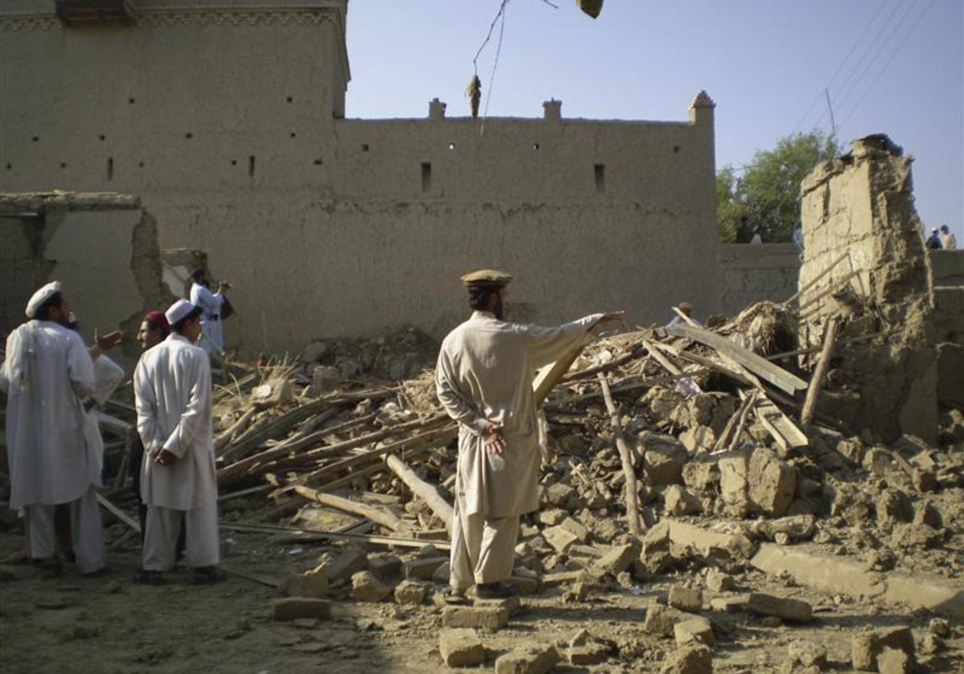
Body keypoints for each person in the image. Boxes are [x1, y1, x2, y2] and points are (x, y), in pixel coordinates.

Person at [435, 269, 621, 601]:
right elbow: (558, 337)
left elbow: (446, 393)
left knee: (469, 510)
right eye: (504, 296)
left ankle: (458, 585)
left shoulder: (453, 340)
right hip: (509, 437)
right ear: (493, 298)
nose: (505, 302)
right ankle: (488, 583)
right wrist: (592, 321)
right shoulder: (514, 337)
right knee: (503, 513)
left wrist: (477, 424)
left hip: (473, 439)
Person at [0, 282, 119, 576]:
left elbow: (6, 382)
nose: (68, 310)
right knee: (80, 493)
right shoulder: (67, 339)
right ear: (53, 310)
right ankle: (90, 560)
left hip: (26, 434)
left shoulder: (17, 337)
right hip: (64, 430)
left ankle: (43, 555)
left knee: (36, 494)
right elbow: (83, 383)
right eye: (65, 306)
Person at [134, 300, 222, 584]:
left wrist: (156, 445)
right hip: (190, 447)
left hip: (158, 449)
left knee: (160, 508)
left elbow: (143, 410)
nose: (200, 329)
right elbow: (197, 409)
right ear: (186, 323)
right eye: (198, 323)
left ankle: (155, 566)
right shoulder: (196, 357)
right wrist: (175, 446)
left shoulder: (148, 358)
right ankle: (202, 564)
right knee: (198, 507)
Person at [130, 311, 171, 541]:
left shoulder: (171, 358)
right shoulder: (147, 360)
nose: (139, 337)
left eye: (143, 331)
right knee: (145, 493)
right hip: (153, 439)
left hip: (158, 439)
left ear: (158, 333)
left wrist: (155, 445)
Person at [189, 268, 230, 356]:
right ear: (200, 277)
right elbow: (214, 303)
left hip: (204, 320)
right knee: (211, 348)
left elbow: (210, 300)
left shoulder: (195, 288)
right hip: (208, 322)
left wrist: (219, 294)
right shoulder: (200, 290)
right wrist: (221, 292)